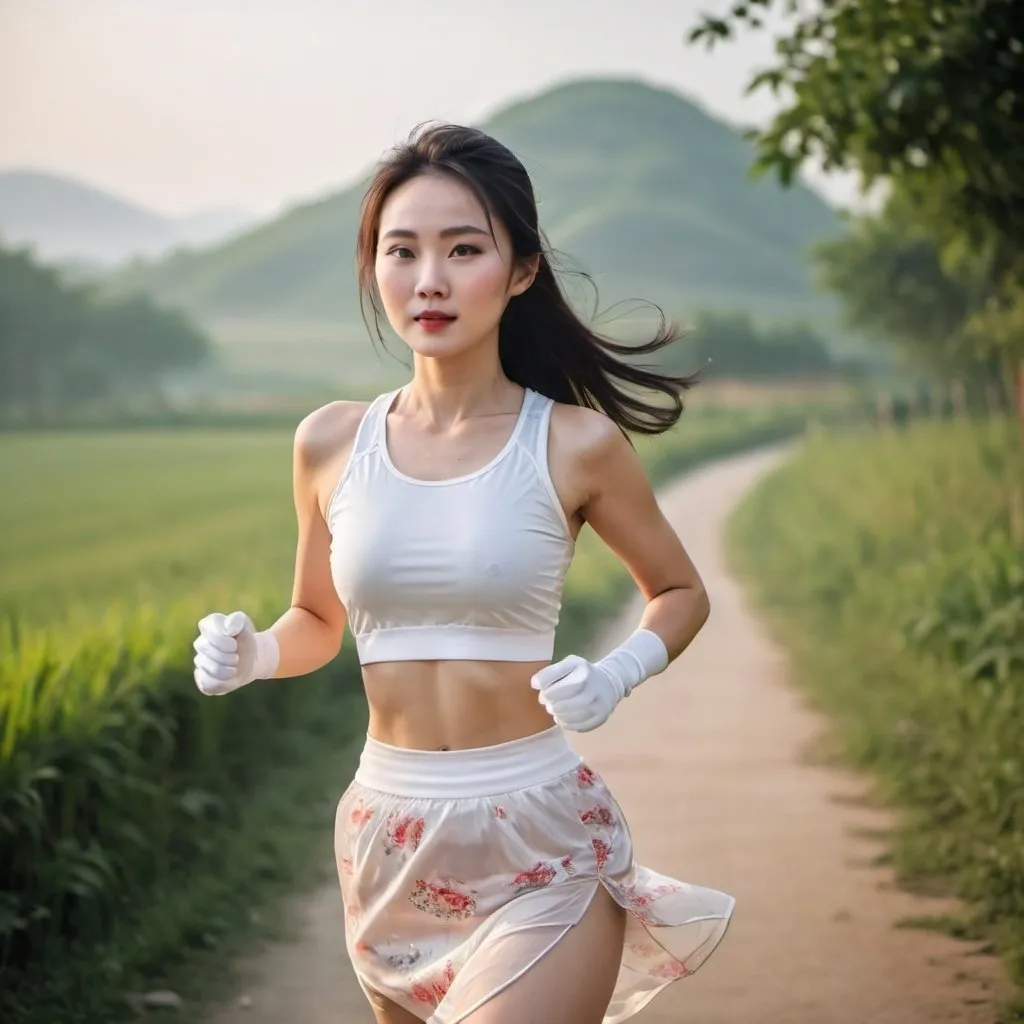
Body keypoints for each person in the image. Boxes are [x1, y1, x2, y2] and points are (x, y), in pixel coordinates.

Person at [192, 123, 734, 1024]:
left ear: (520, 270)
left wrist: (616, 672)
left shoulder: (573, 442)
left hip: (540, 839)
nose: (429, 278)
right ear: (374, 269)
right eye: (401, 251)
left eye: (463, 249)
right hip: (385, 837)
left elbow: (682, 592)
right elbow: (316, 622)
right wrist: (253, 653)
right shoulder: (330, 442)